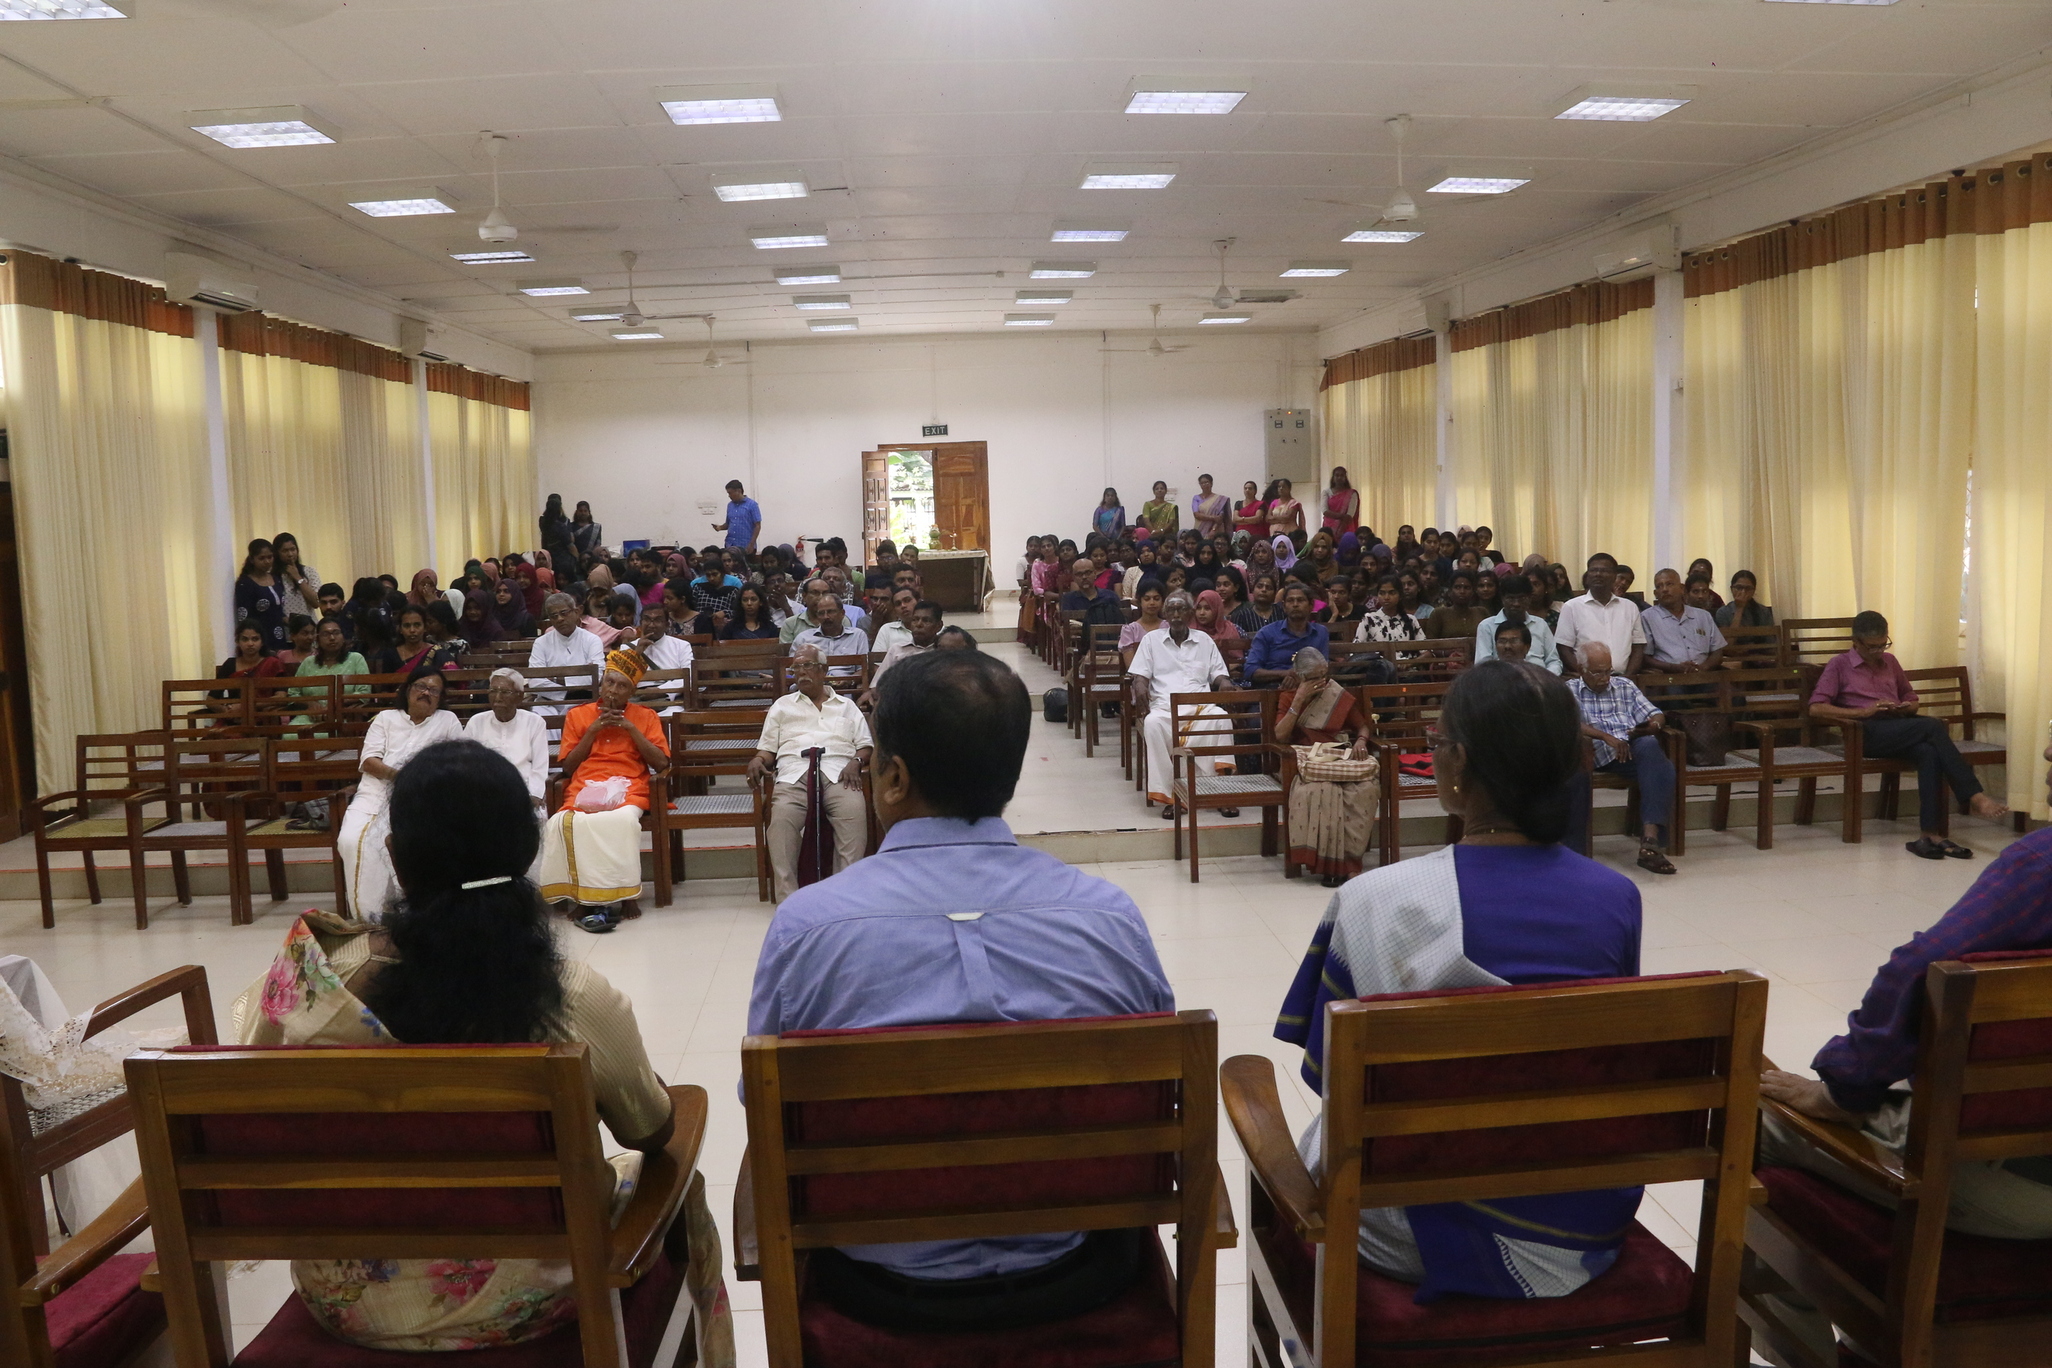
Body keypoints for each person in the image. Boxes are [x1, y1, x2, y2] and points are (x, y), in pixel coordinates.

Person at [234, 739, 733, 1360]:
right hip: (529, 1306)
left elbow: (249, 1100)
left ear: (396, 857)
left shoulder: (307, 981)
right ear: (527, 851)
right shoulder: (568, 997)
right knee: (681, 1184)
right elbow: (650, 1131)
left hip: (345, 1304)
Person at [745, 649, 1170, 1329]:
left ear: (893, 778)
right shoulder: (1108, 918)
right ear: (1010, 772)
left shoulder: (807, 928)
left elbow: (765, 1108)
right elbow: (1157, 1093)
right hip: (1078, 1276)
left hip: (879, 1298)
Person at [1275, 659, 1644, 1302]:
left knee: (1316, 1140)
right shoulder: (1617, 898)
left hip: (1421, 1222)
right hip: (1578, 1219)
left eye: (1439, 740)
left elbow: (1332, 1078)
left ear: (1459, 763)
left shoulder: (1373, 898)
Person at [1750, 733, 2052, 1365]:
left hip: (2020, 1189)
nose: (2047, 753)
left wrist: (1842, 1090)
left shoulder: (2041, 866)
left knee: (1753, 1122)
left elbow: (1920, 969)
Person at [1808, 611, 2008, 858]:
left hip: (1898, 726)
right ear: (1856, 642)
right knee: (1933, 726)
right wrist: (1864, 711)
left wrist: (1906, 707)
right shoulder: (1839, 665)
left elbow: (1911, 698)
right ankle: (1975, 796)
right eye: (1871, 647)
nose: (1878, 651)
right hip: (1866, 733)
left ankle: (1929, 834)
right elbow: (1816, 708)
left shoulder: (1890, 662)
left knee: (1928, 751)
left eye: (1883, 644)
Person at [538, 651, 669, 933]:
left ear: (631, 693)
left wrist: (631, 729)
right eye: (610, 683)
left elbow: (661, 764)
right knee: (561, 823)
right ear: (601, 685)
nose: (613, 690)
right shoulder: (578, 715)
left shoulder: (645, 716)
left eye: (622, 686)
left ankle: (626, 895)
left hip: (629, 787)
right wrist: (593, 731)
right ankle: (581, 897)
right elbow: (568, 767)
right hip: (585, 787)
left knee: (621, 822)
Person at [337, 662, 463, 922]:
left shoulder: (447, 721)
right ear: (407, 690)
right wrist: (402, 777)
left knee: (402, 843)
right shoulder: (386, 718)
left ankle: (407, 910)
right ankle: (369, 915)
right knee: (350, 840)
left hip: (422, 801)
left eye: (434, 690)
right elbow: (369, 761)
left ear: (440, 698)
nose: (426, 693)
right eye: (420, 686)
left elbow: (458, 764)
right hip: (374, 795)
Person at [751, 644, 873, 902]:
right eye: (796, 667)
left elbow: (865, 745)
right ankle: (789, 900)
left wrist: (856, 761)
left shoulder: (846, 706)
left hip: (840, 773)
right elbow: (767, 750)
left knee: (854, 815)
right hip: (793, 774)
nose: (801, 672)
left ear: (823, 670)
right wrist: (758, 759)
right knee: (781, 823)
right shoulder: (782, 706)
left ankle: (845, 897)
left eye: (807, 665)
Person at [1565, 643, 1678, 875]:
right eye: (1598, 672)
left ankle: (1649, 841)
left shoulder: (1624, 685)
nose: (1605, 678)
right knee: (1662, 769)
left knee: (1651, 748)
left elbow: (1655, 713)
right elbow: (1568, 723)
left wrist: (1653, 726)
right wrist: (1605, 736)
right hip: (1594, 752)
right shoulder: (1569, 690)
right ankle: (1651, 843)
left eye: (1608, 671)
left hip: (1630, 750)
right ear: (1582, 669)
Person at [1276, 647, 1376, 887]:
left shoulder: (1336, 694)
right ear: (1300, 677)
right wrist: (1299, 699)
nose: (1323, 682)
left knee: (1364, 790)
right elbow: (1280, 735)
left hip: (1338, 757)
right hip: (1307, 763)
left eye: (1325, 675)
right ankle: (1328, 867)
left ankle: (1350, 865)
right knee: (1322, 791)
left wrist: (1361, 741)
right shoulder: (1289, 696)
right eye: (1315, 678)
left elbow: (1362, 727)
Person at [463, 668, 550, 814]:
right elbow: (464, 764)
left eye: (505, 692)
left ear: (519, 696)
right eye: (493, 691)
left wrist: (534, 795)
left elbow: (540, 767)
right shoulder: (476, 722)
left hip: (523, 791)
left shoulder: (534, 722)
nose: (497, 698)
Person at [1555, 552, 1646, 678]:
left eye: (1604, 571)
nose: (1598, 574)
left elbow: (1638, 647)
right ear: (1587, 576)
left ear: (1614, 576)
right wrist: (1587, 675)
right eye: (1593, 570)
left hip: (1623, 678)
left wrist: (1628, 677)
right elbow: (1564, 648)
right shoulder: (1571, 607)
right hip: (1587, 680)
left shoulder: (1630, 607)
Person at [526, 592, 606, 716]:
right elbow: (535, 681)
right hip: (548, 702)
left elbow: (596, 676)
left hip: (582, 701)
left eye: (564, 613)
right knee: (539, 717)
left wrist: (558, 680)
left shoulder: (592, 640)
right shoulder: (541, 643)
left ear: (576, 612)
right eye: (554, 616)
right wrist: (567, 692)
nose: (560, 619)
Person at [1639, 568, 1726, 674]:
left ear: (1682, 589)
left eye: (1669, 584)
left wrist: (1702, 668)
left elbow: (1717, 652)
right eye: (1659, 586)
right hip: (1667, 676)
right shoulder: (1647, 617)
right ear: (1655, 593)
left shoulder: (1703, 616)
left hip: (1704, 673)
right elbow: (1644, 657)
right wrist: (1673, 667)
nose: (1664, 589)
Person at [1243, 582, 1330, 687]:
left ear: (1311, 605)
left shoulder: (1320, 632)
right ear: (1284, 606)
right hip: (1274, 687)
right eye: (1290, 600)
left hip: (1310, 686)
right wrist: (1284, 674)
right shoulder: (1267, 633)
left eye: (1300, 600)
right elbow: (1250, 670)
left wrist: (1301, 678)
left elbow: (1324, 668)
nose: (1295, 604)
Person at [632, 602, 695, 714]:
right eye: (647, 620)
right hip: (637, 699)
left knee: (675, 714)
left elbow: (690, 676)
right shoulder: (627, 647)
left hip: (669, 700)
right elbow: (618, 678)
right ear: (640, 623)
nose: (651, 625)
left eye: (657, 620)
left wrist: (661, 690)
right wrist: (636, 654)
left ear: (667, 624)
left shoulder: (681, 646)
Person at [870, 600, 943, 690]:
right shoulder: (897, 649)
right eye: (915, 620)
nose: (919, 624)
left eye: (926, 620)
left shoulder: (943, 651)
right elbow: (877, 685)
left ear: (939, 626)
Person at [792, 592, 870, 676]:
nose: (826, 617)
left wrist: (849, 681)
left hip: (847, 682)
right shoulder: (803, 638)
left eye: (830, 612)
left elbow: (864, 669)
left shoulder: (857, 636)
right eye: (821, 613)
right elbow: (791, 670)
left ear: (842, 613)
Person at [234, 538, 290, 654]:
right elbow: (244, 617)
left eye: (270, 557)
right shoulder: (245, 584)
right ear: (252, 560)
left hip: (279, 636)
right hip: (258, 641)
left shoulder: (276, 579)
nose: (267, 561)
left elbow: (278, 611)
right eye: (262, 558)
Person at [1059, 558, 1126, 629]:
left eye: (1088, 573)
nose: (1084, 577)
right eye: (1079, 574)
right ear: (1074, 578)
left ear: (1095, 574)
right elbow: (1068, 624)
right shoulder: (1068, 599)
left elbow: (1120, 622)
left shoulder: (1110, 596)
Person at [1356, 576, 1424, 645]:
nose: (1386, 597)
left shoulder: (1411, 620)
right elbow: (1357, 647)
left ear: (1400, 595)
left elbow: (1424, 647)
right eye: (1382, 593)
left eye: (1392, 593)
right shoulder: (1369, 619)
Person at [270, 531, 321, 619]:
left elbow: (316, 603)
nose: (290, 554)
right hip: (284, 625)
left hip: (308, 624)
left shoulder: (310, 571)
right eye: (285, 551)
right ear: (277, 553)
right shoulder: (271, 576)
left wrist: (298, 577)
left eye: (293, 549)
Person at [1118, 580, 1166, 667]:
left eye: (1156, 599)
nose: (1152, 603)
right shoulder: (1130, 631)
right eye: (1147, 599)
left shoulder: (1168, 627)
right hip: (1139, 674)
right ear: (1139, 601)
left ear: (1163, 601)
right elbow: (1131, 666)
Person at [217, 622, 287, 681]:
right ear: (237, 642)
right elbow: (215, 692)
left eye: (255, 639)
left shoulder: (272, 664)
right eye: (245, 639)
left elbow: (281, 691)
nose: (250, 644)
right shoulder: (230, 665)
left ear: (262, 642)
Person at [711, 478, 762, 553]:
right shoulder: (730, 505)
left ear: (738, 491)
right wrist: (720, 527)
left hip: (746, 546)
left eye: (730, 493)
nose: (729, 496)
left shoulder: (752, 505)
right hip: (730, 545)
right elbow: (728, 523)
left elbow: (757, 526)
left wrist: (751, 544)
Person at [869, 586, 918, 656]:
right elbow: (877, 661)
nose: (903, 606)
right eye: (898, 604)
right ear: (894, 610)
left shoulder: (932, 628)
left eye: (907, 600)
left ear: (919, 602)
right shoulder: (887, 629)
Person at [1232, 571, 1281, 636]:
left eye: (1269, 588)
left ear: (1275, 593)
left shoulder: (1281, 613)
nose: (1264, 590)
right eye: (1259, 586)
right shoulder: (1242, 615)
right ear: (1252, 590)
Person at [1322, 467, 1359, 538]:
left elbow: (1350, 515)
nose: (1339, 478)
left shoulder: (1352, 494)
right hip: (1328, 528)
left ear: (1345, 478)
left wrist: (1340, 529)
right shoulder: (1326, 492)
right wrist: (1342, 516)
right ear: (1333, 477)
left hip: (1346, 528)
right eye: (1337, 475)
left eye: (1342, 475)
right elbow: (1325, 511)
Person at [1191, 473, 1230, 539]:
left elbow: (1220, 517)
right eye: (1202, 483)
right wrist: (1213, 517)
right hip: (1199, 530)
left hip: (1215, 531)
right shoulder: (1196, 498)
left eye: (1206, 482)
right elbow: (1196, 515)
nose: (1204, 485)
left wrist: (1213, 530)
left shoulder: (1219, 499)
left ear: (1211, 483)